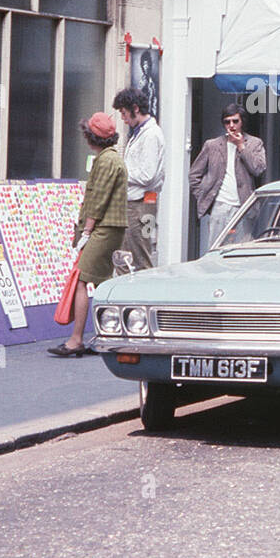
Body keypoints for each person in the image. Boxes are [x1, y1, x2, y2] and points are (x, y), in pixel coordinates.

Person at [50, 112, 128, 356]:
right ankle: (106, 336)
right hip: (111, 227)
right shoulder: (111, 158)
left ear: (92, 137)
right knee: (103, 281)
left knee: (83, 279)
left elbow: (98, 198)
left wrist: (86, 230)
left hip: (104, 228)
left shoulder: (105, 161)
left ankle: (76, 340)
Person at [189, 104, 267, 253]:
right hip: (220, 205)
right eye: (227, 122)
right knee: (216, 249)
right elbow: (194, 174)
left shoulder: (255, 143)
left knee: (241, 252)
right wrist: (203, 196)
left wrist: (241, 147)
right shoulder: (212, 145)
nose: (231, 126)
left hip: (244, 206)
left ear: (242, 122)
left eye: (235, 121)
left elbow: (258, 169)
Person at [112, 87, 165, 271]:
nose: (123, 118)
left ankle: (145, 298)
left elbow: (147, 174)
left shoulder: (151, 134)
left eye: (124, 113)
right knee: (127, 255)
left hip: (141, 205)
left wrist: (120, 169)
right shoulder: (139, 132)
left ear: (135, 109)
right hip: (137, 203)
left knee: (140, 256)